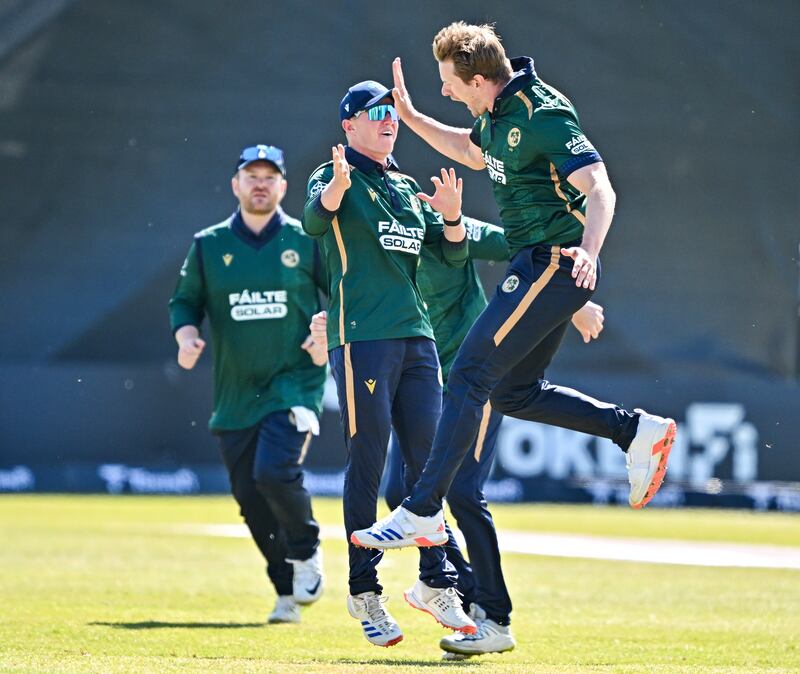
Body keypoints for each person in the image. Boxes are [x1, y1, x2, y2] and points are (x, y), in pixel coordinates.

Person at [352, 22, 677, 550]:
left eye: (449, 83)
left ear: (478, 79)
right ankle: (635, 430)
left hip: (553, 261)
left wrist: (590, 254)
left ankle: (422, 510)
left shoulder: (542, 113)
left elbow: (601, 188)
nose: (444, 91)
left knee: (468, 373)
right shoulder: (496, 115)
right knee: (511, 392)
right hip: (534, 263)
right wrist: (411, 119)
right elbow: (471, 151)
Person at [313, 220, 605, 659]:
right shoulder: (379, 246)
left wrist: (569, 299)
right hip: (429, 385)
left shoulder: (447, 227)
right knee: (401, 491)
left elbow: (528, 244)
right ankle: (455, 592)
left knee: (465, 492)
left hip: (477, 382)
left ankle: (493, 616)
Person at [301, 80, 476, 647]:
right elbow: (310, 220)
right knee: (368, 458)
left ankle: (434, 582)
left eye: (391, 114)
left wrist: (451, 217)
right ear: (348, 125)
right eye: (373, 114)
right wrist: (335, 192)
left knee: (429, 464)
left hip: (417, 339)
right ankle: (362, 589)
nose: (388, 121)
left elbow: (449, 253)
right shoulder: (334, 176)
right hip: (361, 338)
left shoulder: (402, 184)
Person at [168, 144, 326, 625]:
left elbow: (342, 293)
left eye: (270, 176)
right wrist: (187, 336)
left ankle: (307, 549)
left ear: (283, 185)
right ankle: (284, 593)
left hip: (294, 383)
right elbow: (184, 303)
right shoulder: (209, 244)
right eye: (251, 175)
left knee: (273, 473)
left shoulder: (306, 239)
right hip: (236, 394)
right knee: (250, 498)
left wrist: (326, 330)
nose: (260, 183)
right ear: (235, 184)